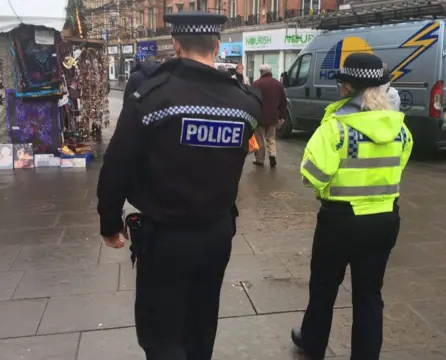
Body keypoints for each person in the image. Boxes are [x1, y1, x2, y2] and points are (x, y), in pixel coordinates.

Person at [96, 11, 262, 360]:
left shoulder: (152, 99)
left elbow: (117, 166)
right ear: (217, 46)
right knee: (202, 326)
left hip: (166, 237)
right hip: (217, 233)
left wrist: (109, 223)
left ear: (175, 45)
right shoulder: (245, 104)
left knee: (161, 334)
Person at [291, 53, 413, 360]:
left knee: (324, 286)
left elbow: (312, 174)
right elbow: (398, 165)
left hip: (340, 220)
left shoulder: (337, 127)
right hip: (385, 218)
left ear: (346, 87)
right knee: (370, 294)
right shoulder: (400, 128)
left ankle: (314, 344)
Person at [250, 63, 286, 168]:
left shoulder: (256, 84)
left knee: (259, 138)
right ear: (270, 72)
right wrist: (282, 116)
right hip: (273, 116)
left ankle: (260, 159)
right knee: (271, 137)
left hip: (259, 117)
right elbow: (283, 102)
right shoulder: (278, 84)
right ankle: (272, 155)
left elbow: (252, 100)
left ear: (261, 72)